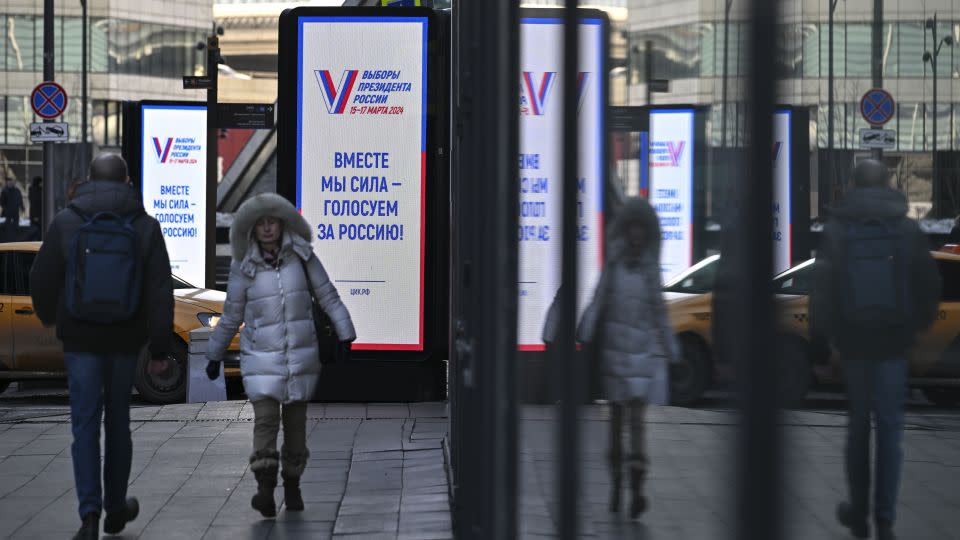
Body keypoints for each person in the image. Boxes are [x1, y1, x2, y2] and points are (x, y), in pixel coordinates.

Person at [29, 153, 173, 540]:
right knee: (119, 424)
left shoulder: (67, 221)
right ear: (127, 180)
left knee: (85, 426)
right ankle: (116, 507)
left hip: (80, 340)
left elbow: (40, 278)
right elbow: (161, 291)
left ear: (89, 179)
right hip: (125, 341)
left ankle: (89, 514)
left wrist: (56, 321)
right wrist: (159, 350)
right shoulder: (144, 225)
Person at [811, 159, 941, 540]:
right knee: (889, 432)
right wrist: (915, 332)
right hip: (893, 345)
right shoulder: (905, 228)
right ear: (887, 183)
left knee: (857, 433)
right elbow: (928, 285)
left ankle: (858, 512)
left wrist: (825, 348)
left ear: (853, 184)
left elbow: (823, 291)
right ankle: (885, 517)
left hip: (854, 345)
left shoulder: (839, 228)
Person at [204, 193, 355, 518]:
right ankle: (264, 489)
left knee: (297, 426)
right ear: (252, 229)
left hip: (300, 358)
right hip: (261, 357)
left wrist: (346, 332)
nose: (268, 228)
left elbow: (327, 295)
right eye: (262, 224)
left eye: (273, 222)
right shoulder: (243, 267)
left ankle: (292, 484)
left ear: (283, 223)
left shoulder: (302, 256)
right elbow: (231, 314)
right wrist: (214, 353)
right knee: (266, 421)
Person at [574, 197, 678, 520]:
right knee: (617, 424)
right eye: (631, 228)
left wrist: (671, 348)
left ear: (646, 233)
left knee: (637, 423)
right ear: (625, 230)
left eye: (640, 229)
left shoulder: (649, 269)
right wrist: (586, 331)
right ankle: (618, 481)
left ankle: (636, 487)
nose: (636, 235)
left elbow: (659, 312)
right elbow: (599, 299)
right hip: (616, 355)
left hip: (642, 356)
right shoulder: (615, 264)